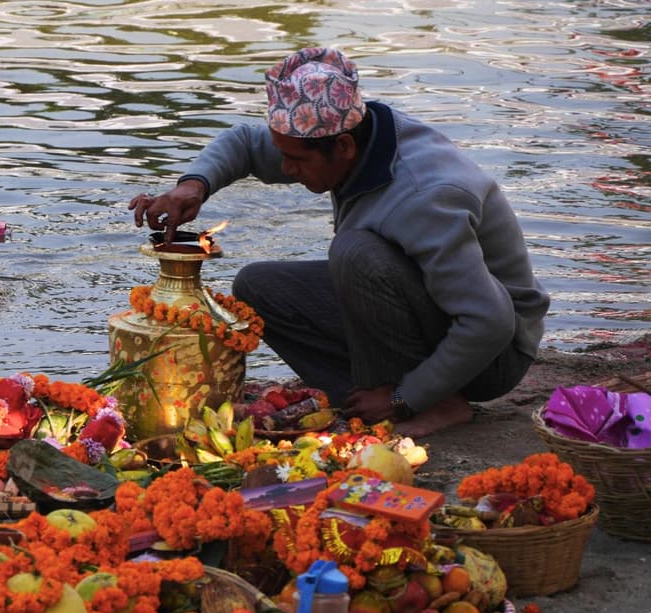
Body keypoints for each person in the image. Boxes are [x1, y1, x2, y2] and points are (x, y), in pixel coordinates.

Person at [129, 47, 550, 437]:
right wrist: (193, 187)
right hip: (429, 307)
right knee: (258, 286)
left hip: (493, 354)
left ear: (344, 146)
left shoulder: (426, 196)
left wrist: (409, 396)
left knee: (355, 254)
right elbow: (243, 143)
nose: (287, 170)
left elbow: (489, 322)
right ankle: (368, 399)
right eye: (284, 156)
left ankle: (428, 402)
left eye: (297, 161)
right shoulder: (352, 138)